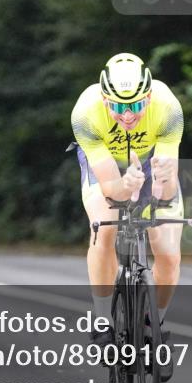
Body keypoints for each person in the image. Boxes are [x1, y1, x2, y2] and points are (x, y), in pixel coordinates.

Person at [71, 53, 184, 353]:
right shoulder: (86, 113)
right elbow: (110, 188)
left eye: (136, 105)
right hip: (105, 166)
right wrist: (126, 186)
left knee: (169, 253)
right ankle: (102, 321)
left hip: (150, 162)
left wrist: (163, 182)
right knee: (103, 229)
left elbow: (168, 191)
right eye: (119, 107)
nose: (129, 115)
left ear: (148, 97)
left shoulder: (168, 108)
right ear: (105, 100)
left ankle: (153, 327)